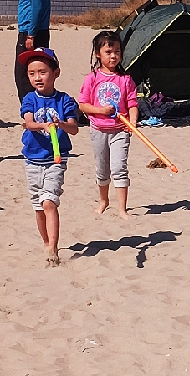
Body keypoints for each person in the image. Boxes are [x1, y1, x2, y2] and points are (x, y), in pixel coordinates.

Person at [20, 49, 81, 265]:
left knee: (49, 202)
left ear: (56, 73)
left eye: (43, 72)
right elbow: (28, 123)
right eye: (32, 73)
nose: (37, 77)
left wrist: (61, 124)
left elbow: (74, 128)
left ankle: (54, 247)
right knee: (38, 206)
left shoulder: (64, 100)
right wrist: (43, 125)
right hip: (32, 160)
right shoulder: (29, 99)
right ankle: (46, 242)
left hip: (56, 159)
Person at [77, 30, 138, 218]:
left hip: (120, 131)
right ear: (98, 53)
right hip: (98, 130)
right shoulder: (92, 78)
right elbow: (83, 105)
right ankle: (103, 201)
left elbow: (133, 103)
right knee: (102, 169)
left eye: (117, 52)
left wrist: (133, 122)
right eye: (109, 52)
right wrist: (100, 111)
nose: (113, 56)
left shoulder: (125, 79)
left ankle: (122, 209)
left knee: (119, 168)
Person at [13, 0, 51, 101]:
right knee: (32, 72)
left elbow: (37, 7)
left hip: (33, 33)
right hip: (31, 31)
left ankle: (31, 109)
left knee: (24, 73)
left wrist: (31, 34)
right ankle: (34, 108)